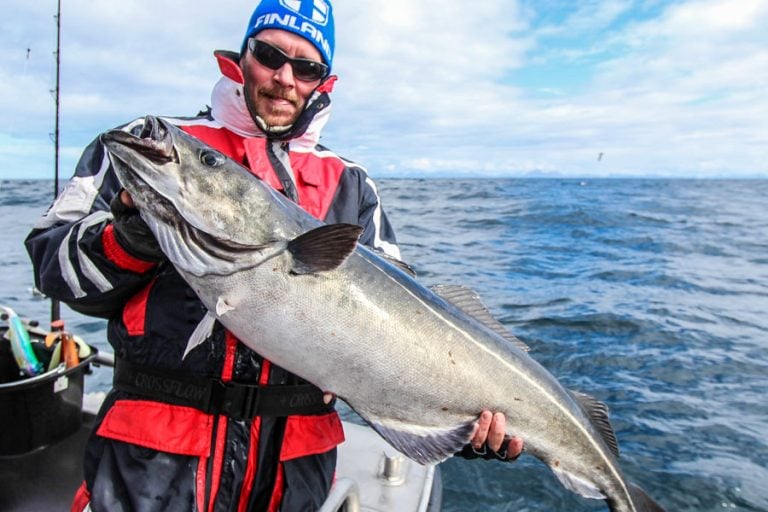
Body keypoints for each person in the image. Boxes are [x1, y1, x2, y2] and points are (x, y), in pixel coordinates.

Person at [26, 1, 523, 510]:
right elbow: (51, 266)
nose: (285, 77)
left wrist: (459, 419)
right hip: (154, 458)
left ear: (322, 83)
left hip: (294, 473)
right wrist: (131, 236)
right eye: (269, 55)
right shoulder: (156, 146)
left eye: (306, 67)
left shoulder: (351, 185)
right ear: (240, 58)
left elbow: (399, 326)